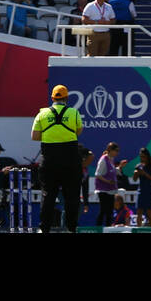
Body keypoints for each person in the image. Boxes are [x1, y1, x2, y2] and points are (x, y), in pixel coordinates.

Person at [32, 84, 84, 234]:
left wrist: (50, 135)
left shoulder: (42, 114)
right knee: (72, 197)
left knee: (47, 195)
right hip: (70, 160)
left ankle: (44, 229)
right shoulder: (74, 113)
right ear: (66, 98)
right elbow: (78, 131)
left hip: (49, 160)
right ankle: (71, 229)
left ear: (52, 98)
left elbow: (34, 136)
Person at [132, 148, 151, 227]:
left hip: (149, 190)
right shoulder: (138, 165)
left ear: (147, 156)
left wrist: (145, 173)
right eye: (140, 156)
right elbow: (134, 179)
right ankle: (138, 229)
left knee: (149, 212)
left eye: (143, 156)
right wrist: (136, 173)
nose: (142, 158)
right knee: (139, 211)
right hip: (141, 190)